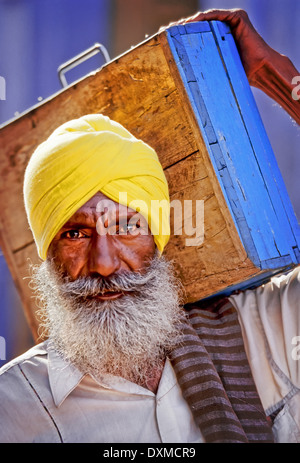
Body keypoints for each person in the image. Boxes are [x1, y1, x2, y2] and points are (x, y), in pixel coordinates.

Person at [0, 9, 299, 444]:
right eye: (76, 234)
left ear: (158, 238)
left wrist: (276, 76)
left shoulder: (265, 332)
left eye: (124, 225)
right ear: (46, 253)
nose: (103, 264)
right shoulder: (14, 409)